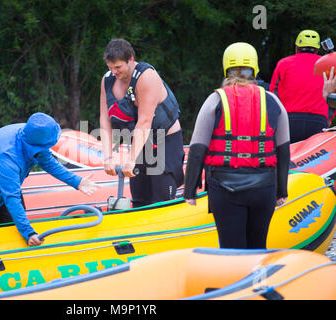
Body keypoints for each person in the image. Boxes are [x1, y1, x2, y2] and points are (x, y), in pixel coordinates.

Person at [183, 43, 290, 249]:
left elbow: (197, 149)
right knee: (258, 247)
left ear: (226, 68)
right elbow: (283, 150)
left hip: (225, 189)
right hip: (264, 189)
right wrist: (281, 191)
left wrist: (190, 191)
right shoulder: (273, 101)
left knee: (231, 250)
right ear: (255, 69)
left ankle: (234, 280)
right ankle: (258, 280)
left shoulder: (214, 100)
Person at [0, 112, 98, 246]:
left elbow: (47, 161)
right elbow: (11, 197)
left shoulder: (30, 134)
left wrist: (77, 181)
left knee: (10, 227)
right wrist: (28, 232)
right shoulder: (8, 158)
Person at [99, 38, 185, 208]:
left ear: (130, 59)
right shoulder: (107, 80)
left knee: (162, 199)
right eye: (110, 67)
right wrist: (108, 156)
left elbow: (145, 121)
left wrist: (131, 160)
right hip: (141, 143)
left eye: (118, 67)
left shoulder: (147, 77)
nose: (114, 72)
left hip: (164, 142)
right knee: (139, 198)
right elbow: (105, 119)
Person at [270, 29, 328, 143]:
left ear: (297, 48)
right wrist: (326, 120)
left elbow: (273, 96)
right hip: (318, 122)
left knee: (287, 158)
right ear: (317, 49)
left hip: (289, 121)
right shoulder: (326, 65)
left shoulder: (284, 63)